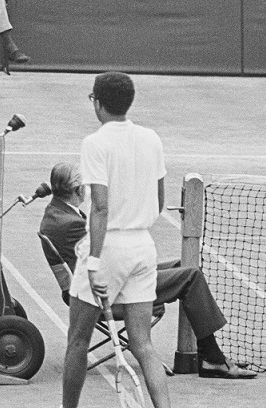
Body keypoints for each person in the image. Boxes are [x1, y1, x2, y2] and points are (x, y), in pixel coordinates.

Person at [41, 161, 257, 380]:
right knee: (191, 277)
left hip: (103, 283)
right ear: (78, 190)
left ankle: (209, 354)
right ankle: (213, 359)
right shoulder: (70, 224)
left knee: (182, 265)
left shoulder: (56, 213)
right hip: (109, 292)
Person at [61, 72, 172, 408]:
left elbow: (100, 206)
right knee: (143, 343)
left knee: (78, 340)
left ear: (97, 102)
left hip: (108, 250)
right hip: (143, 248)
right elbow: (160, 199)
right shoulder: (152, 138)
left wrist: (94, 261)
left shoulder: (95, 143)